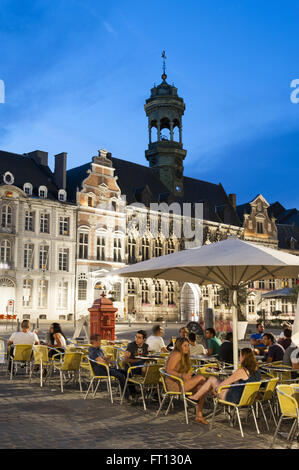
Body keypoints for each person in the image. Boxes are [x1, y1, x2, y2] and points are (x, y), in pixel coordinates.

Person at [189, 348, 261, 408]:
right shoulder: (257, 370)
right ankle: (198, 396)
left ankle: (196, 397)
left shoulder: (242, 371)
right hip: (248, 399)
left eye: (240, 355)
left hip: (235, 399)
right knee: (214, 383)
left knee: (212, 380)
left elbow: (224, 384)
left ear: (244, 357)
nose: (239, 357)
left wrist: (216, 390)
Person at [165, 337, 208, 424]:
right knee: (202, 378)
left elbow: (185, 370)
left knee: (201, 388)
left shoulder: (184, 356)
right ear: (179, 346)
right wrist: (182, 375)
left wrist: (189, 374)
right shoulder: (177, 354)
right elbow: (169, 370)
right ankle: (215, 392)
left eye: (188, 345)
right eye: (184, 346)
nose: (187, 348)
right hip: (175, 385)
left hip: (182, 382)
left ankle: (199, 416)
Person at [88, 334, 129, 399]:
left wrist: (106, 360)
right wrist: (106, 360)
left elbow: (107, 360)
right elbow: (103, 362)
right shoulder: (92, 350)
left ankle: (131, 393)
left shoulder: (99, 349)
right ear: (95, 342)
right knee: (121, 376)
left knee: (125, 372)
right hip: (100, 371)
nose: (101, 342)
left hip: (106, 368)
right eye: (99, 341)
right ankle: (126, 397)